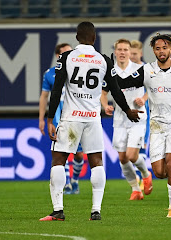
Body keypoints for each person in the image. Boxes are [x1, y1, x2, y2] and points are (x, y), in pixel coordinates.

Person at [39, 21, 141, 221]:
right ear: (94, 38)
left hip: (70, 118)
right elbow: (115, 89)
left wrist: (50, 117)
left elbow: (57, 89)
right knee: (96, 162)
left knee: (58, 160)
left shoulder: (67, 58)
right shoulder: (103, 60)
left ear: (77, 37)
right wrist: (128, 110)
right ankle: (96, 211)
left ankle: (58, 210)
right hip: (93, 119)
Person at [115, 32, 171, 218]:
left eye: (165, 47)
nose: (161, 51)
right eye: (157, 48)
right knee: (159, 172)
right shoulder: (146, 70)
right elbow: (123, 82)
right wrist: (110, 70)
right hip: (156, 126)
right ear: (153, 51)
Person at [101, 38, 153, 200]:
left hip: (138, 117)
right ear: (115, 52)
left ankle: (146, 174)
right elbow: (103, 93)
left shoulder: (141, 69)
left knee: (131, 155)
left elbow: (153, 88)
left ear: (130, 53)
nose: (122, 52)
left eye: (125, 50)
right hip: (119, 119)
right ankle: (136, 190)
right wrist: (105, 106)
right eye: (119, 50)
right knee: (122, 158)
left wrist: (144, 99)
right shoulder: (110, 71)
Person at [39, 43, 84, 195]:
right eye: (67, 53)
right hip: (59, 120)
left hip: (78, 118)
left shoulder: (81, 71)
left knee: (79, 154)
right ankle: (66, 185)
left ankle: (75, 181)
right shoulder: (50, 74)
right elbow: (44, 97)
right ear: (59, 56)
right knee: (61, 152)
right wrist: (42, 119)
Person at [130, 39, 149, 190]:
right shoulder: (124, 70)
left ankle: (140, 181)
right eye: (131, 53)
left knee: (140, 148)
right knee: (126, 152)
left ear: (141, 53)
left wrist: (143, 98)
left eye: (135, 53)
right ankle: (140, 178)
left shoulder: (147, 69)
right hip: (126, 116)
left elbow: (154, 87)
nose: (133, 56)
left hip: (143, 115)